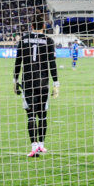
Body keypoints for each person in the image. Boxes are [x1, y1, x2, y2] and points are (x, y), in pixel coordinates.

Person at [14, 16, 58, 157]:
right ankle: (41, 145)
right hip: (43, 82)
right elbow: (52, 63)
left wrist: (15, 80)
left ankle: (33, 147)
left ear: (31, 26)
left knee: (31, 115)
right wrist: (56, 83)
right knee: (43, 115)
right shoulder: (48, 41)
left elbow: (18, 61)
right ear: (44, 27)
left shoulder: (23, 40)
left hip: (28, 82)